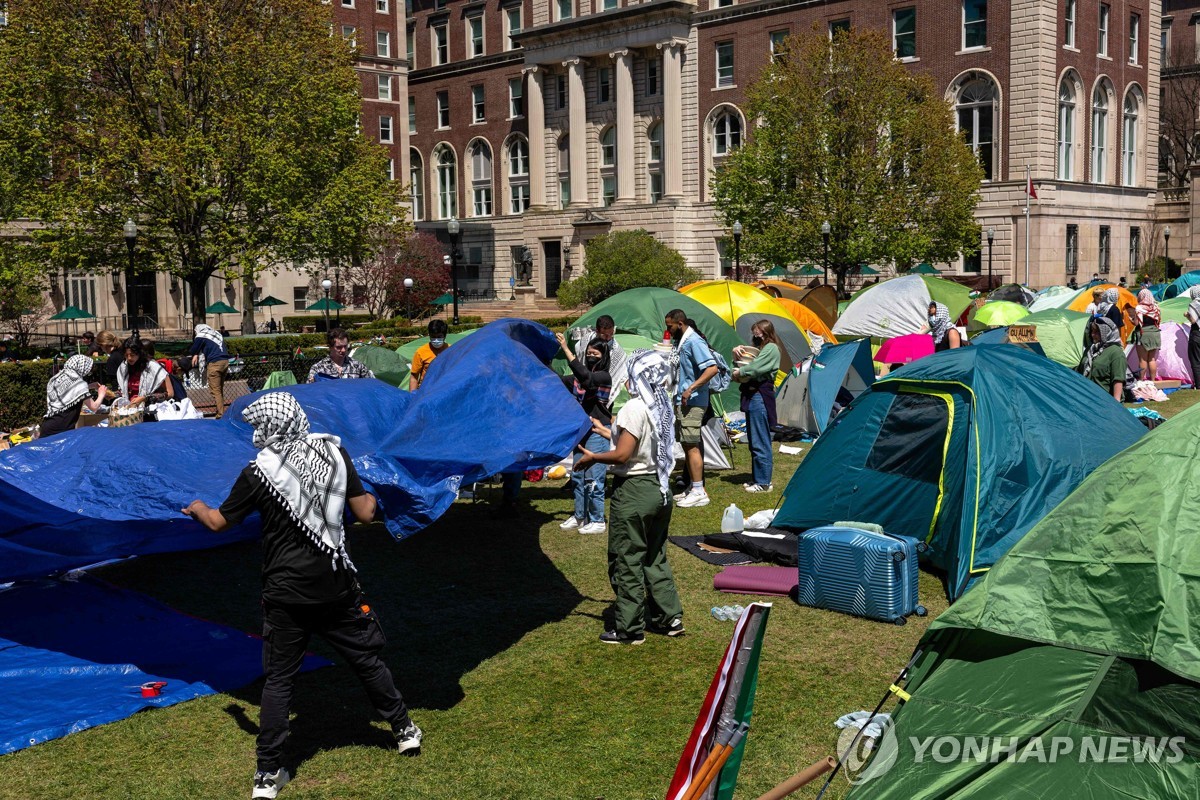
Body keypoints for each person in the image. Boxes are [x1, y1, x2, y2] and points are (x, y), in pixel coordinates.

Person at [181, 393, 421, 799]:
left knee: (279, 681)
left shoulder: (258, 473)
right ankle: (403, 730)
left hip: (285, 592)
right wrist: (375, 495)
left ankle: (267, 775)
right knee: (364, 659)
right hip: (335, 584)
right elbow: (364, 513)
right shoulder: (333, 452)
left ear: (269, 427)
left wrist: (198, 507)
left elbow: (220, 523)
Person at [576, 349, 684, 645]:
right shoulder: (662, 405)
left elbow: (624, 453)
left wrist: (594, 457)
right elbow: (638, 439)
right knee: (655, 556)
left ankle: (630, 628)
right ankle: (669, 617)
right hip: (660, 489)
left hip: (635, 491)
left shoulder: (634, 408)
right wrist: (604, 428)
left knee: (627, 558)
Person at [556, 331, 613, 534]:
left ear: (604, 356)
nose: (591, 356)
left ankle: (597, 520)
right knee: (578, 476)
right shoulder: (579, 377)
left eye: (595, 353)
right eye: (588, 352)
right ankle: (580, 515)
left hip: (598, 431)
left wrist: (566, 349)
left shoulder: (603, 377)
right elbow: (562, 380)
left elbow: (587, 379)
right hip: (582, 431)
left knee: (594, 478)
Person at [665, 309, 718, 508]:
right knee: (687, 444)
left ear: (680, 323)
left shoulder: (694, 341)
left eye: (669, 326)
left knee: (693, 444)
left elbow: (712, 368)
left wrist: (691, 388)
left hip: (694, 401)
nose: (667, 330)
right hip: (684, 401)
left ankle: (698, 490)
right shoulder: (683, 342)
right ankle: (691, 487)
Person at [732, 320, 787, 493]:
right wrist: (737, 355)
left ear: (765, 332)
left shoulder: (771, 348)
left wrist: (739, 372)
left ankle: (763, 482)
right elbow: (748, 364)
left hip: (759, 395)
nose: (755, 335)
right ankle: (758, 478)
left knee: (760, 440)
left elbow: (755, 368)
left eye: (757, 332)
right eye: (753, 331)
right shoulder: (762, 349)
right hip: (753, 395)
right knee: (754, 439)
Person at [41, 354, 109, 438]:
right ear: (82, 368)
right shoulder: (79, 383)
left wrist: (90, 386)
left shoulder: (56, 378)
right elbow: (94, 407)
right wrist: (101, 394)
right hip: (62, 429)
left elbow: (69, 391)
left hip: (48, 425)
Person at [571, 315, 627, 389]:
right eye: (604, 335)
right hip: (584, 382)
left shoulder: (616, 350)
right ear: (597, 331)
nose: (608, 337)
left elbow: (623, 373)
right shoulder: (587, 340)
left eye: (611, 334)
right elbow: (580, 356)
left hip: (603, 389)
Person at [1078, 317, 1128, 401]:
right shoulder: (1090, 349)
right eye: (1092, 331)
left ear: (1106, 332)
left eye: (1097, 332)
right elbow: (1080, 370)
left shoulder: (1116, 352)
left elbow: (1118, 379)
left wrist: (1116, 404)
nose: (1093, 335)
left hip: (1105, 401)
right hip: (1086, 398)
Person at [189, 324, 232, 419]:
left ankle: (220, 414)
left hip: (215, 363)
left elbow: (193, 349)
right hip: (225, 361)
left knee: (215, 390)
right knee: (219, 389)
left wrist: (195, 353)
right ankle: (220, 410)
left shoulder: (201, 335)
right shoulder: (216, 333)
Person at [117, 337, 175, 406]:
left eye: (132, 355)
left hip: (151, 410)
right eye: (126, 355)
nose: (129, 358)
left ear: (139, 353)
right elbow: (123, 392)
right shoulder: (124, 367)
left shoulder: (154, 368)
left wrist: (145, 398)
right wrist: (109, 394)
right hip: (130, 409)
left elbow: (170, 393)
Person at [307, 328, 374, 382]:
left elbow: (371, 385)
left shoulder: (357, 366)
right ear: (330, 347)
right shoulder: (318, 368)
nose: (343, 350)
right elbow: (309, 392)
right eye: (339, 347)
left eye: (345, 346)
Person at [409, 320, 449, 390]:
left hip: (444, 389)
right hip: (425, 391)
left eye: (439, 336)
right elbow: (414, 377)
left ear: (444, 336)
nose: (436, 340)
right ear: (429, 335)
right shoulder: (420, 352)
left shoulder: (451, 350)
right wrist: (412, 397)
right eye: (433, 337)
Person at [1134, 286, 1161, 382]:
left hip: (1143, 334)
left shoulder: (1139, 308)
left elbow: (1137, 323)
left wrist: (1132, 320)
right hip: (1155, 333)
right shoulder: (1156, 307)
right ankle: (1153, 381)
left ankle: (1141, 381)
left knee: (1143, 360)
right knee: (1152, 359)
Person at [1186, 287, 1200, 388]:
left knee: (1195, 360)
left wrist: (1187, 315)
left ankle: (1198, 385)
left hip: (1196, 334)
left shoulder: (1194, 303)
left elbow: (1193, 320)